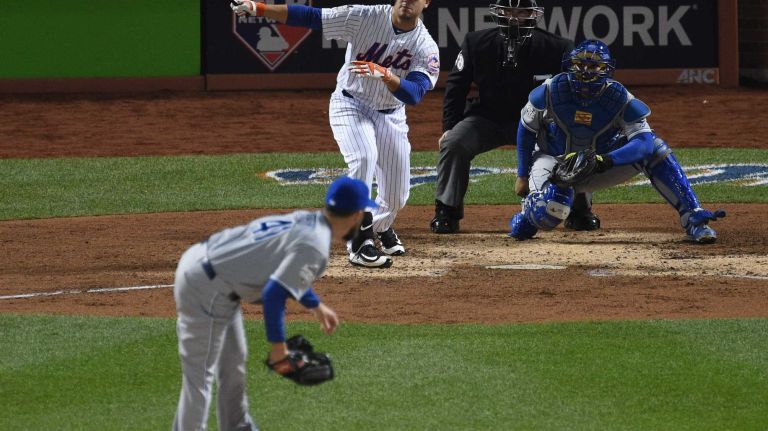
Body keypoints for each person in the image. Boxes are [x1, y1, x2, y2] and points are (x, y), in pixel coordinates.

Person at [232, 0, 440, 268]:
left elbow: (415, 93)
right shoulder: (363, 17)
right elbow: (310, 16)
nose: (407, 1)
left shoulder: (425, 46)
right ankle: (358, 241)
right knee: (364, 157)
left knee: (398, 196)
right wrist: (259, 8)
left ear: (426, 3)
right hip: (350, 103)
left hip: (391, 113)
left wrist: (386, 76)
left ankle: (379, 226)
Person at [172, 176, 375, 430]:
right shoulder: (316, 246)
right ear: (357, 215)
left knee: (233, 363)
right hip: (204, 285)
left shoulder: (308, 219)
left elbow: (284, 270)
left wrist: (316, 305)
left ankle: (238, 426)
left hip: (213, 272)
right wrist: (279, 350)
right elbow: (274, 294)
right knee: (199, 378)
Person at [509, 40, 725, 243]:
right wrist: (522, 174)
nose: (585, 72)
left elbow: (644, 143)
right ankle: (531, 216)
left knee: (657, 149)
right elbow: (526, 129)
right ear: (569, 65)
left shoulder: (619, 97)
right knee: (546, 215)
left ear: (606, 69)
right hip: (552, 160)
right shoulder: (550, 90)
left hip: (597, 164)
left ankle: (694, 218)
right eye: (579, 65)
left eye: (593, 67)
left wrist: (606, 160)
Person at [431, 0, 598, 234]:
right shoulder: (476, 43)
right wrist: (449, 126)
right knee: (454, 143)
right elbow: (456, 88)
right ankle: (446, 211)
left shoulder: (558, 47)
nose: (513, 17)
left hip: (540, 124)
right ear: (498, 12)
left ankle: (581, 210)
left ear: (533, 14)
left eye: (520, 11)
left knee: (575, 144)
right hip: (488, 119)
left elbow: (574, 94)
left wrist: (573, 129)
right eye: (508, 11)